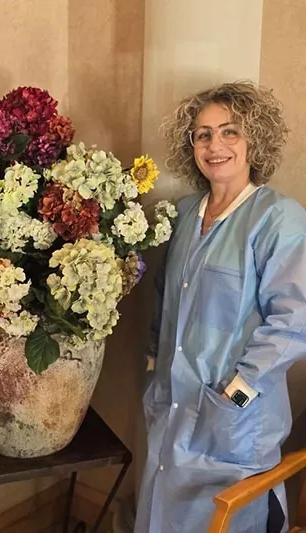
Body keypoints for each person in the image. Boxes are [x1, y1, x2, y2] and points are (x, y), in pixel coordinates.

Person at [135, 81, 306, 533]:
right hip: (172, 405)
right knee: (163, 514)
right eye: (203, 134)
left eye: (230, 132)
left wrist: (237, 391)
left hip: (233, 418)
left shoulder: (278, 218)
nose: (215, 145)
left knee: (227, 519)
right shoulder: (185, 214)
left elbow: (294, 321)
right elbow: (165, 301)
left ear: (254, 140)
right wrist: (155, 368)